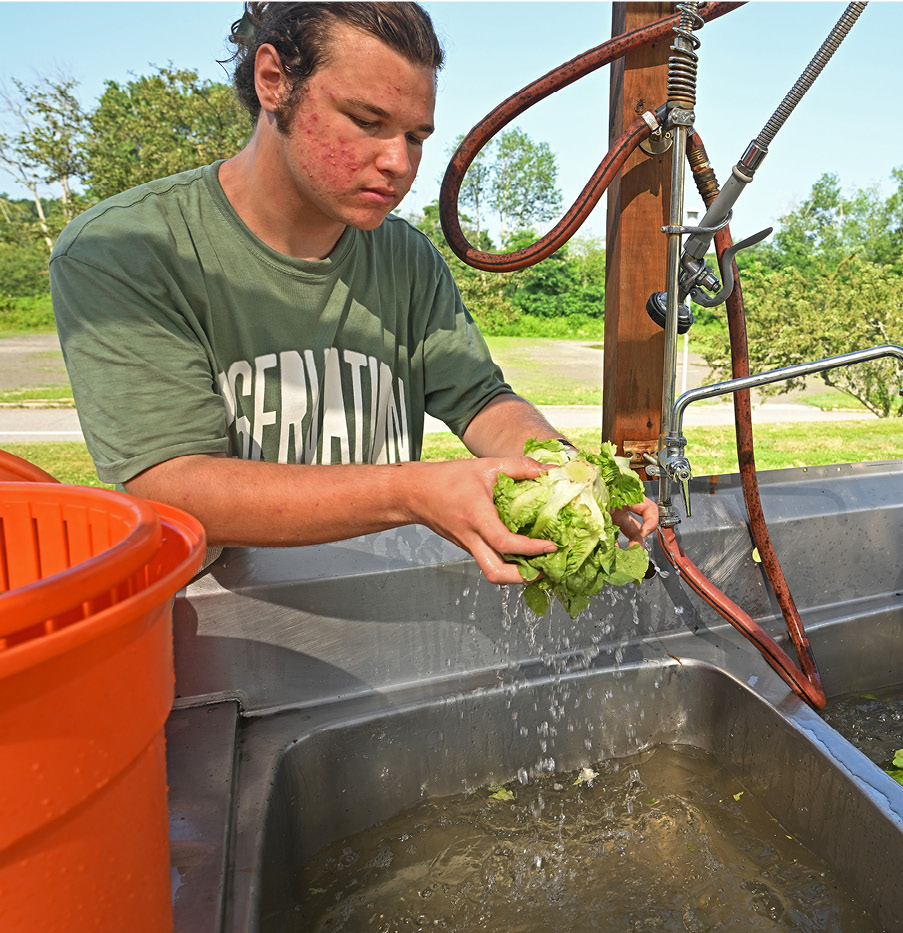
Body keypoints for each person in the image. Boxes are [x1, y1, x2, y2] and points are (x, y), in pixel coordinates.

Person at [49, 2, 655, 583]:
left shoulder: (407, 258)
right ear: (273, 81)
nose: (398, 162)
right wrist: (412, 491)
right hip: (224, 624)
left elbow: (481, 402)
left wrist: (569, 475)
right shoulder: (128, 248)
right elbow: (170, 482)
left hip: (382, 591)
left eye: (416, 136)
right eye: (367, 122)